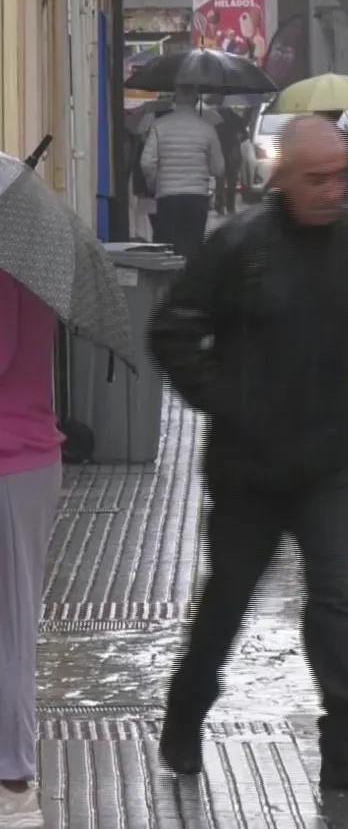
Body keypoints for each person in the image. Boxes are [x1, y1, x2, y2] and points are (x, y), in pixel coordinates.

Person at [149, 115, 348, 790]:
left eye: (341, 177)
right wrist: (227, 398)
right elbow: (172, 327)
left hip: (328, 462)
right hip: (250, 467)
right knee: (230, 594)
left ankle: (347, 745)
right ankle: (187, 706)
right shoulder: (239, 245)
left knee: (336, 596)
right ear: (282, 176)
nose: (331, 191)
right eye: (316, 178)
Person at [0, 273, 63, 829]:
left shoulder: (4, 264)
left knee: (9, 632)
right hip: (24, 460)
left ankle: (12, 785)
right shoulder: (24, 250)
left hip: (9, 465)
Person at [142, 87, 225, 262]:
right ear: (196, 100)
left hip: (167, 197)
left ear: (175, 98)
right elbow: (219, 168)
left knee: (166, 251)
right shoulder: (207, 128)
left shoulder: (160, 125)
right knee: (192, 250)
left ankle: (166, 286)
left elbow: (146, 162)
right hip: (197, 198)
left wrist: (155, 183)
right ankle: (189, 284)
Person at [213, 105, 248, 216]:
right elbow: (245, 136)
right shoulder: (237, 120)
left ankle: (221, 205)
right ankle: (228, 206)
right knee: (229, 182)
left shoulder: (216, 120)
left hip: (224, 153)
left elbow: (244, 135)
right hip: (231, 154)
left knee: (222, 181)